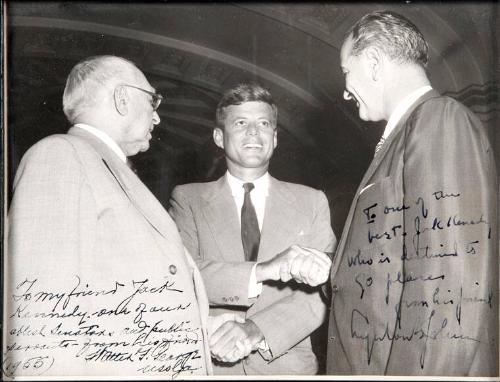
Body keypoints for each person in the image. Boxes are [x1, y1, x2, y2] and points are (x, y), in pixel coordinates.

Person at [4, 55, 214, 378]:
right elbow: (42, 323)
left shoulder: (105, 167)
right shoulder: (58, 155)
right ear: (122, 97)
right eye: (153, 100)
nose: (157, 118)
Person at [326, 11, 498, 376]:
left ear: (372, 63)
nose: (344, 89)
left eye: (346, 72)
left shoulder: (438, 121)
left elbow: (446, 291)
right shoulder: (410, 130)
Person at [169, 83, 336, 375]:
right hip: (211, 365)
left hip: (287, 368)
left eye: (264, 124)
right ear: (219, 137)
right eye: (241, 123)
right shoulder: (188, 199)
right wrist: (263, 270)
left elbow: (324, 292)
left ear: (274, 138)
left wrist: (255, 330)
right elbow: (184, 276)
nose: (253, 133)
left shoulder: (311, 201)